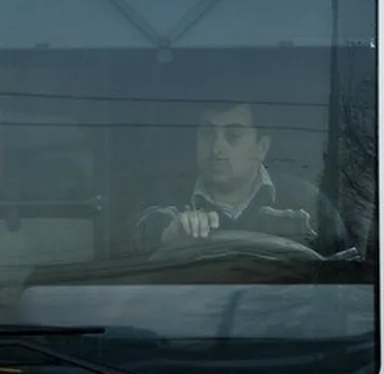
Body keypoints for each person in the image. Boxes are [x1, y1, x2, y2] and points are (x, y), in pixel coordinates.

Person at [133, 101, 359, 258]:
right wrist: (170, 234)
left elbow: (342, 274)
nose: (217, 147)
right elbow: (130, 242)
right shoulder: (165, 197)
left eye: (233, 136)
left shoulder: (307, 202)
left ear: (262, 148)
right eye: (208, 134)